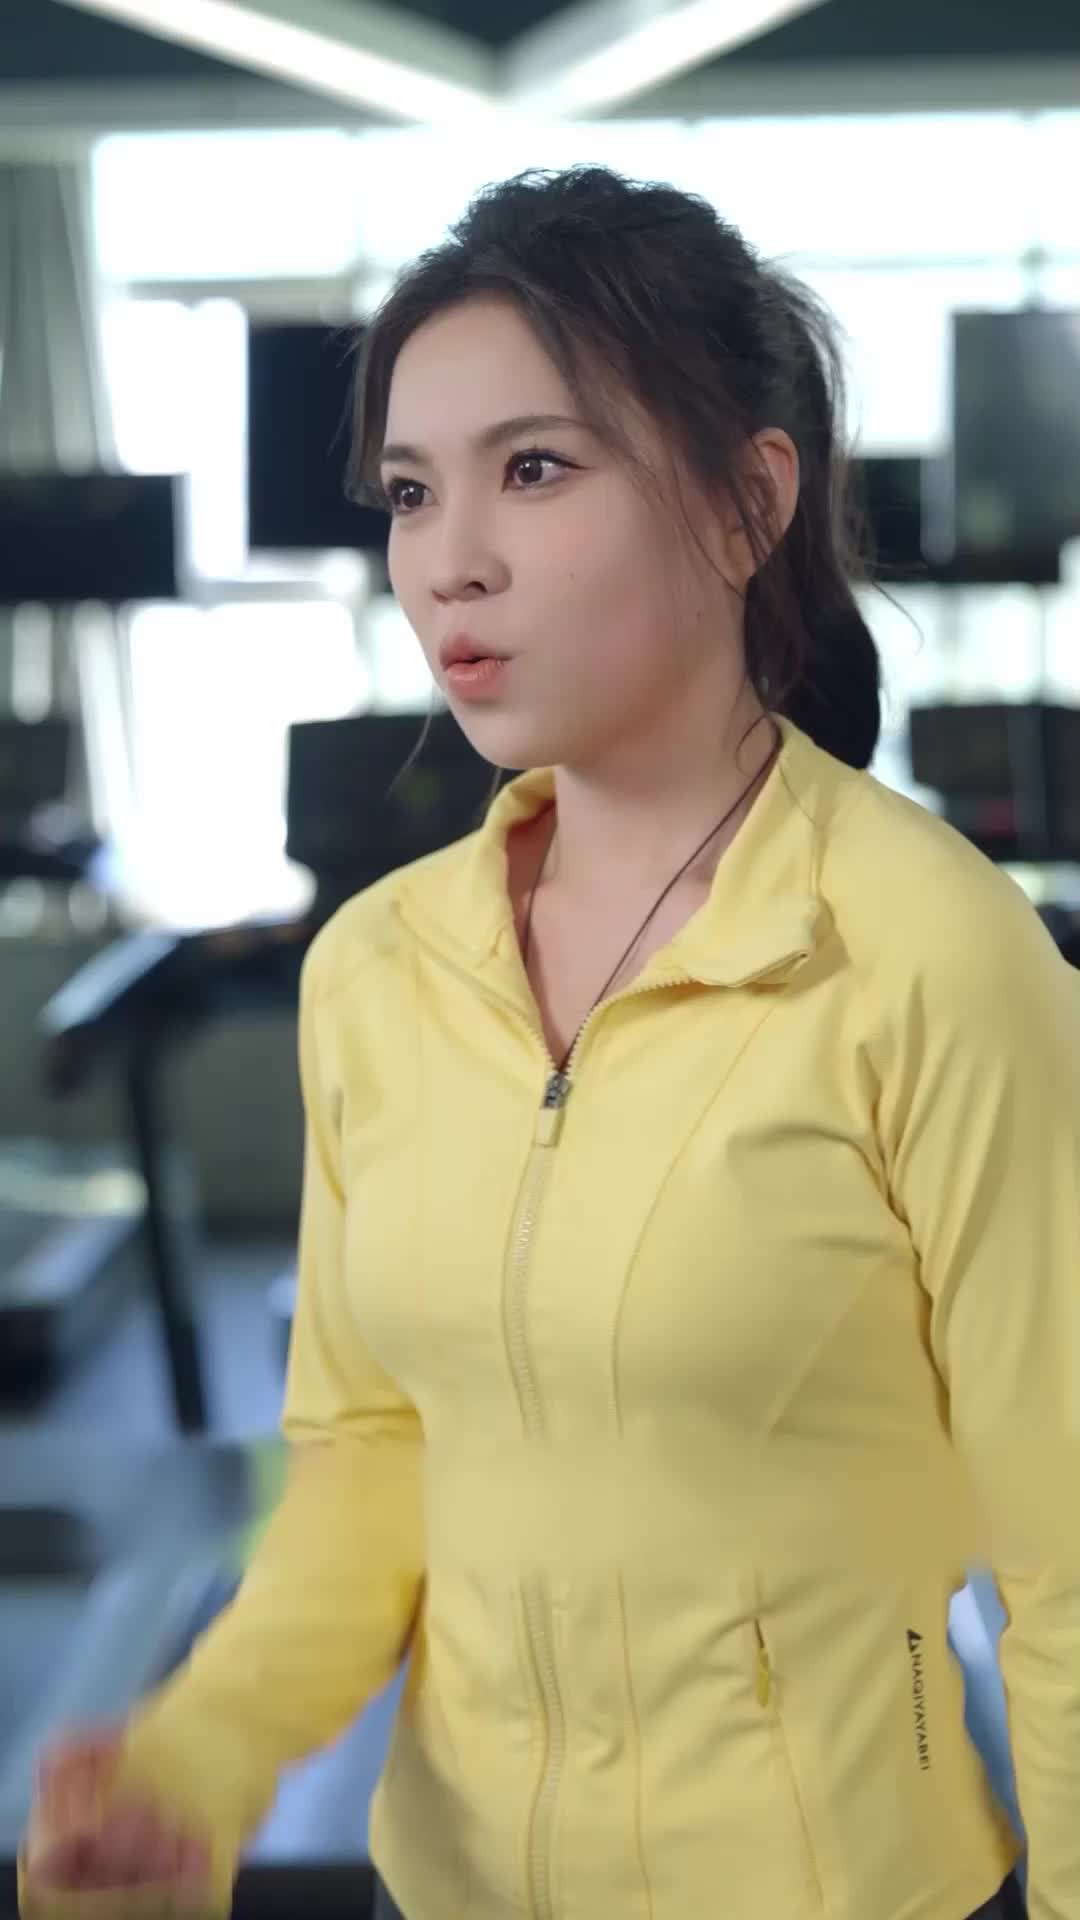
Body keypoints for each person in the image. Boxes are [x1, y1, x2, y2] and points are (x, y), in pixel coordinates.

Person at [19, 165, 1077, 1920]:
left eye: (533, 468)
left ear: (747, 505)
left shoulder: (934, 958)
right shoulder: (378, 971)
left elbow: (1066, 1557)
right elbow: (371, 1461)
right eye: (411, 491)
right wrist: (197, 1757)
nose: (451, 559)